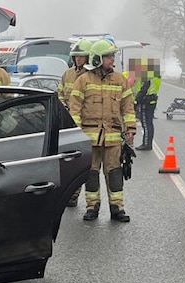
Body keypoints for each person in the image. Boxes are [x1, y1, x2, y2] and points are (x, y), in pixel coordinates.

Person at [69, 38, 137, 222]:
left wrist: (130, 128)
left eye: (112, 56)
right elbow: (74, 109)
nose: (112, 60)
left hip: (113, 139)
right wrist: (76, 134)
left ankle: (117, 209)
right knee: (91, 174)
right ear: (98, 58)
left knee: (115, 173)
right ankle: (92, 207)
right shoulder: (83, 80)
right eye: (109, 57)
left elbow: (128, 107)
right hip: (89, 139)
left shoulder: (120, 80)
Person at [59, 39, 92, 207]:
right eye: (76, 56)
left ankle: (81, 196)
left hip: (87, 124)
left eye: (81, 56)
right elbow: (59, 93)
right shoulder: (68, 74)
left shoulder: (91, 75)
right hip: (69, 123)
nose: (78, 59)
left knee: (86, 160)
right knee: (72, 159)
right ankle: (72, 195)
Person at [134, 59, 161, 150]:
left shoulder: (147, 77)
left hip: (146, 102)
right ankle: (148, 143)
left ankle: (146, 144)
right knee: (149, 123)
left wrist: (136, 101)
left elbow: (143, 90)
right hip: (152, 102)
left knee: (145, 124)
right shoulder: (156, 76)